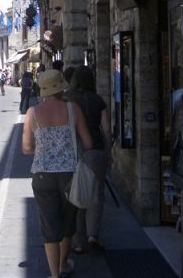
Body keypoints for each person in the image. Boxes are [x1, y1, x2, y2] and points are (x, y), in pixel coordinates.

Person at [22, 70, 93, 278]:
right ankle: (63, 264)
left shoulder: (32, 113)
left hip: (43, 175)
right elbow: (88, 143)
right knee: (67, 223)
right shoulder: (73, 110)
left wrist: (45, 150)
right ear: (62, 87)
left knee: (49, 225)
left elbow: (26, 148)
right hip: (70, 175)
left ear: (43, 89)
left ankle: (54, 275)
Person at [66, 65, 112, 254]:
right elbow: (107, 129)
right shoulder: (98, 100)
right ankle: (92, 235)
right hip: (96, 150)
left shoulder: (68, 100)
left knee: (75, 194)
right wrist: (109, 153)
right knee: (97, 193)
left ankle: (77, 241)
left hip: (74, 151)